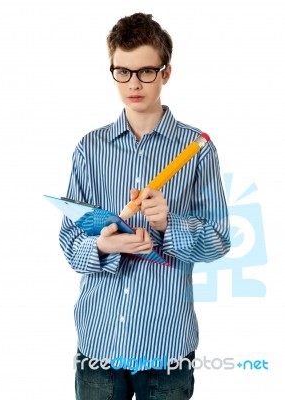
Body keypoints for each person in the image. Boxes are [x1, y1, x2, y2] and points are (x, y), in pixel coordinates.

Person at [59, 12, 230, 400]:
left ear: (166, 73)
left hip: (166, 347)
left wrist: (169, 222)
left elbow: (219, 241)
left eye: (146, 71)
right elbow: (69, 240)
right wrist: (105, 246)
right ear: (113, 70)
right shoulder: (90, 147)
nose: (134, 83)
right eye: (123, 71)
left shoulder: (197, 149)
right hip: (99, 342)